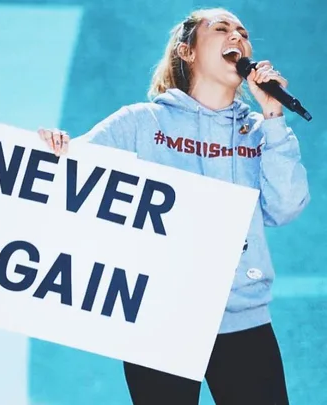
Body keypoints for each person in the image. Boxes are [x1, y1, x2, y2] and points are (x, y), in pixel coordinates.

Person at [38, 7, 309, 405]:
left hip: (242, 318)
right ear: (188, 52)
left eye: (243, 32)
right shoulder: (139, 123)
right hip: (158, 320)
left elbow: (285, 208)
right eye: (221, 29)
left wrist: (272, 114)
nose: (238, 37)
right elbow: (68, 179)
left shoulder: (261, 130)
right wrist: (53, 148)